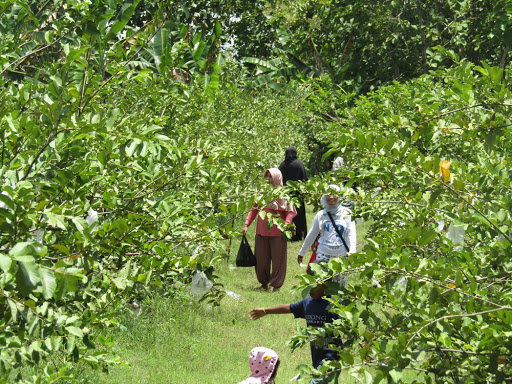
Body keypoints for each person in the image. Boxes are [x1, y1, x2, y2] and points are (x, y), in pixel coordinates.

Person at [248, 275, 343, 383]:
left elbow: (347, 325)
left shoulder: (334, 303)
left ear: (326, 286)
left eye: (315, 286)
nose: (310, 289)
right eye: (308, 285)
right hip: (316, 356)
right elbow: (290, 308)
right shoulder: (308, 302)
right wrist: (265, 311)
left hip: (331, 357)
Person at [242, 168, 297, 291]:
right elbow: (254, 210)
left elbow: (290, 212)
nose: (267, 179)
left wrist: (286, 224)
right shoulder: (262, 194)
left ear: (277, 178)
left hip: (278, 233)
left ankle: (276, 286)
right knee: (261, 260)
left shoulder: (283, 195)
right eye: (266, 177)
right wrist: (246, 224)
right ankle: (264, 284)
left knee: (278, 261)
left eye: (270, 177)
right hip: (261, 233)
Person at [297, 185, 356, 285]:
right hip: (323, 254)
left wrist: (352, 252)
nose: (331, 197)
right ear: (324, 196)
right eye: (328, 195)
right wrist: (302, 252)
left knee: (339, 286)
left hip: (340, 255)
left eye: (334, 194)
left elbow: (351, 234)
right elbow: (312, 234)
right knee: (322, 285)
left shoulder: (347, 214)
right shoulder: (321, 215)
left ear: (339, 196)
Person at [279, 146, 308, 241]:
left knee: (288, 213)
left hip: (286, 194)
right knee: (299, 214)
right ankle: (300, 234)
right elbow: (305, 178)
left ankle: (289, 234)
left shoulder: (282, 165)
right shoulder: (299, 164)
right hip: (298, 193)